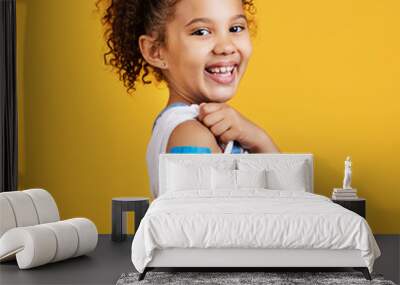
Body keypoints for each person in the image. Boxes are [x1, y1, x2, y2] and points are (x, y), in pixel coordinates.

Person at [97, 0, 280, 198]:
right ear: (155, 51)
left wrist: (258, 138)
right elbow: (208, 226)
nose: (226, 47)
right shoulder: (191, 135)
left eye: (235, 28)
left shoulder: (189, 126)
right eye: (201, 32)